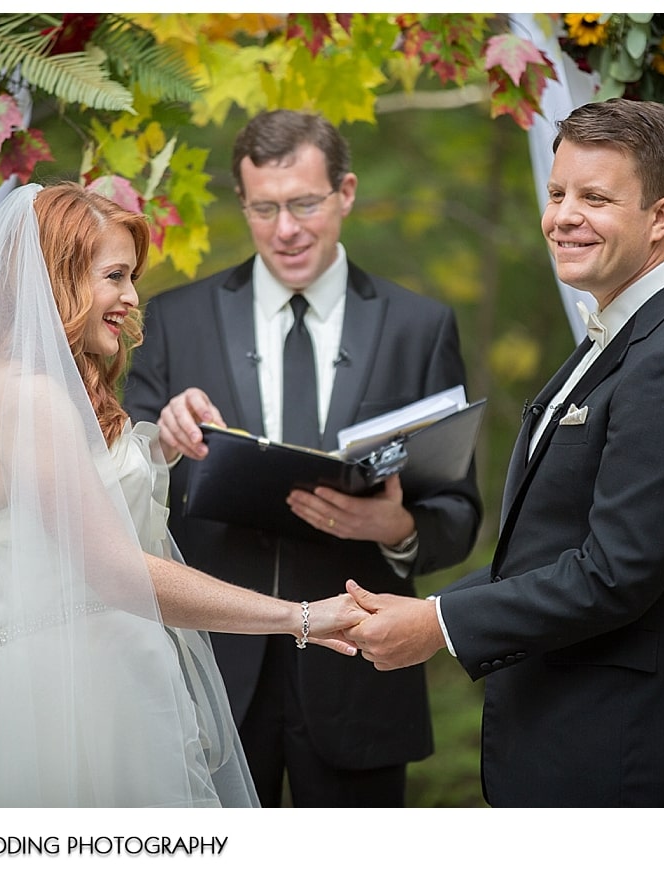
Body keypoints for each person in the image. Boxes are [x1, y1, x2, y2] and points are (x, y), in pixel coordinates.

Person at [0, 182, 365, 808]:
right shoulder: (25, 397)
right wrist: (299, 617)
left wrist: (159, 444)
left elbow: (71, 511)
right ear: (58, 280)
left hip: (104, 689)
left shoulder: (17, 391)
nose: (132, 297)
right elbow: (115, 570)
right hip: (67, 710)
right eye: (115, 275)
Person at [343, 99, 664, 807]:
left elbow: (614, 573)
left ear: (661, 217)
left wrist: (439, 624)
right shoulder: (626, 332)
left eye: (594, 197)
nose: (564, 215)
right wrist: (436, 605)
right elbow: (553, 546)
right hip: (571, 737)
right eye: (558, 192)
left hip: (625, 757)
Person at [123, 109, 481, 807]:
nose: (285, 229)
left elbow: (459, 514)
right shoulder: (172, 320)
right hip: (209, 677)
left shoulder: (419, 326)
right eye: (265, 209)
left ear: (345, 192)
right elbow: (114, 506)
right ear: (244, 204)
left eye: (304, 204)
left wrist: (397, 530)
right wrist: (161, 442)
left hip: (363, 673)